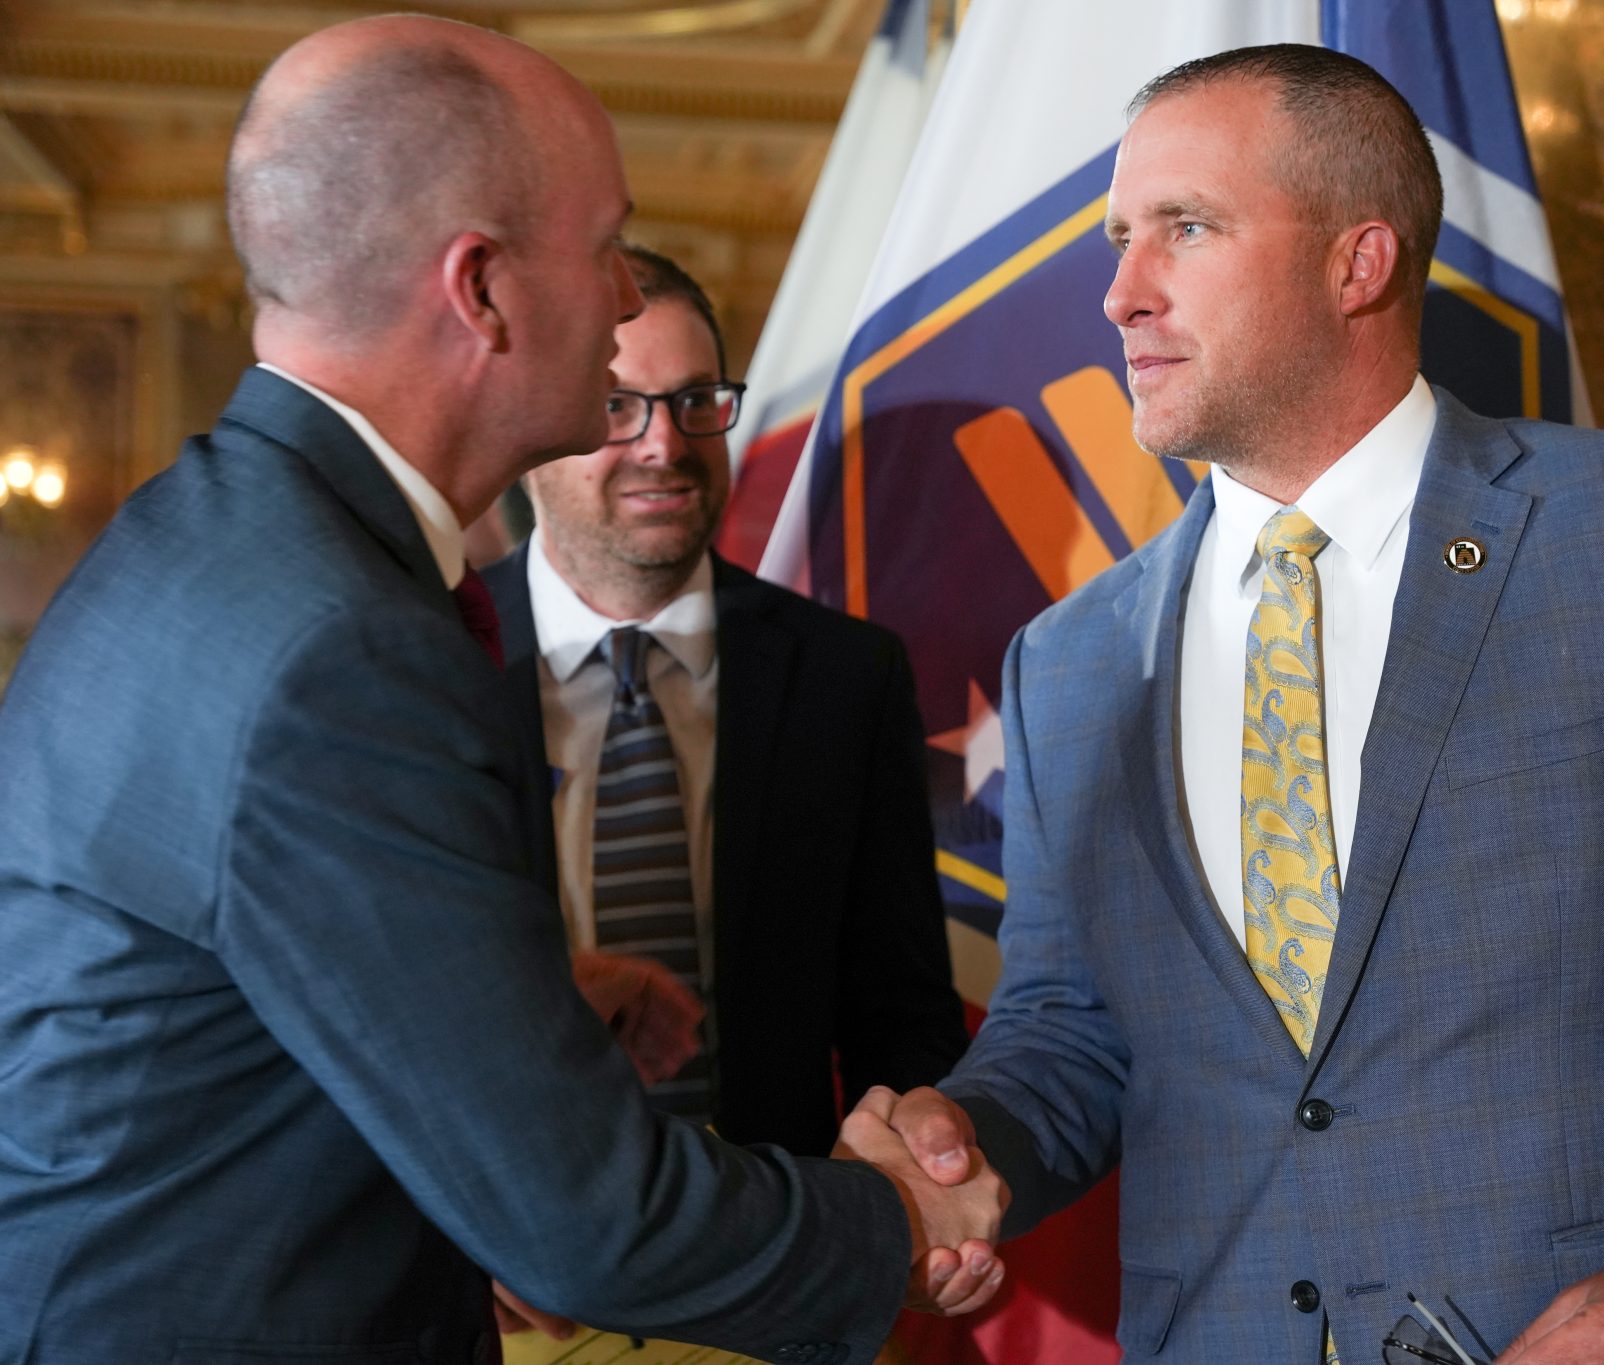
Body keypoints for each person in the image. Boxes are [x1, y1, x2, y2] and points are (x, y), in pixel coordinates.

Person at [876, 43, 1604, 1365]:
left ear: (1358, 262)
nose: (1120, 293)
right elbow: (1073, 1038)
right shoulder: (1069, 662)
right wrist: (965, 1145)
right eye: (1120, 240)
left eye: (1187, 228)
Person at [0, 16, 1002, 1364]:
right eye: (605, 246)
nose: (622, 300)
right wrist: (897, 1221)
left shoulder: (216, 535)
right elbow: (591, 1223)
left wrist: (513, 997)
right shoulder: (340, 644)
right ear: (481, 290)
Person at [481, 245, 968, 1151]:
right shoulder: (426, 657)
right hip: (496, 1220)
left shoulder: (845, 677)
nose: (664, 444)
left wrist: (909, 1174)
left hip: (770, 1218)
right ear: (532, 424)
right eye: (616, 405)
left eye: (696, 401)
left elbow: (900, 1017)